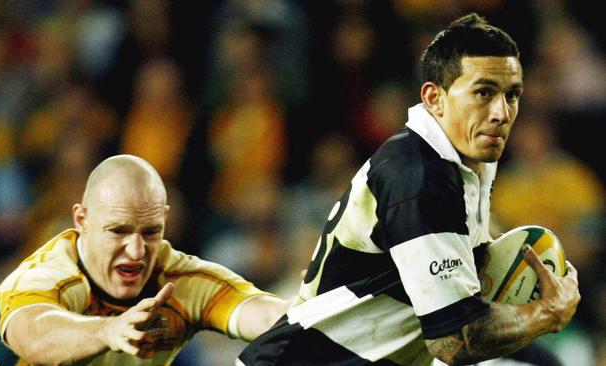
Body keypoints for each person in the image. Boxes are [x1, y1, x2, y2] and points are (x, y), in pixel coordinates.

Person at [237, 13, 580, 365]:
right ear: (434, 98)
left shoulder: (461, 159)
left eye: (512, 95)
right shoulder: (420, 176)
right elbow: (453, 340)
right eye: (483, 92)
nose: (501, 112)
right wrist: (546, 313)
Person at [0, 154, 289, 365]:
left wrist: (313, 306)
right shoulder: (45, 276)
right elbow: (36, 339)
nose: (136, 251)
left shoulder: (180, 281)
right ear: (81, 220)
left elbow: (265, 316)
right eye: (118, 231)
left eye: (151, 232)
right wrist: (108, 330)